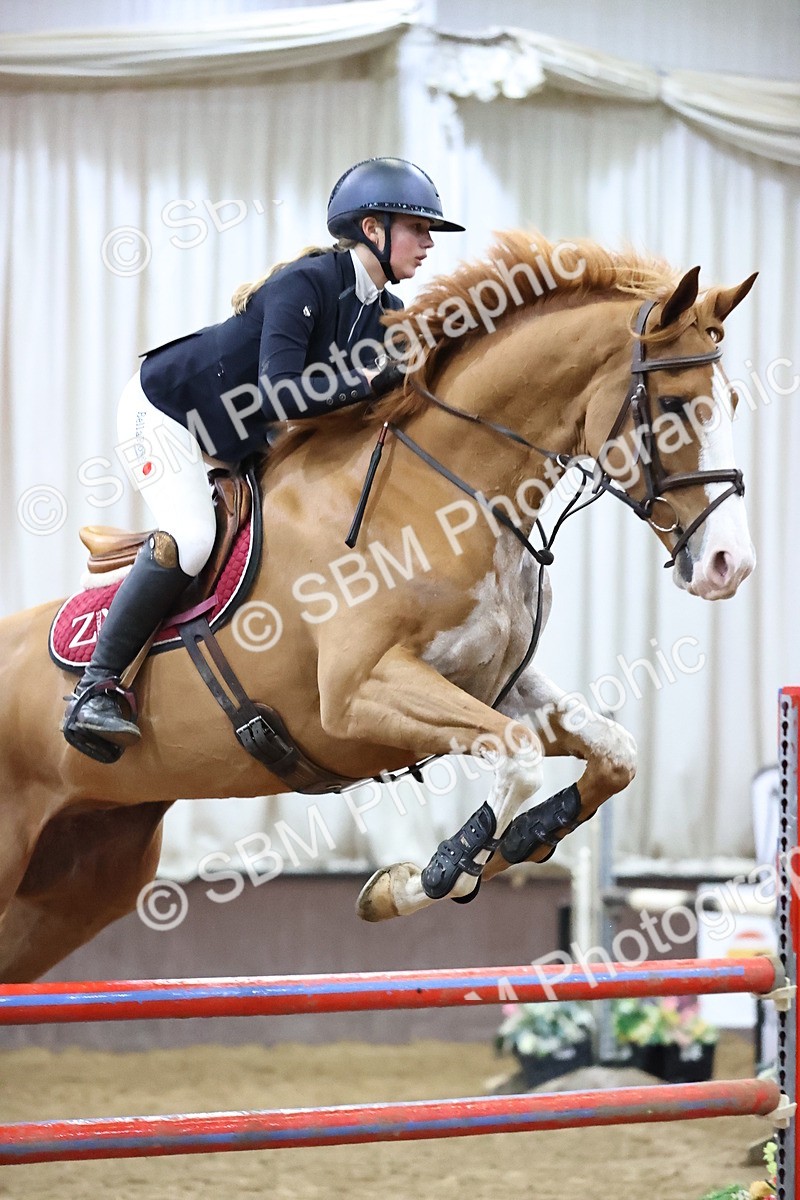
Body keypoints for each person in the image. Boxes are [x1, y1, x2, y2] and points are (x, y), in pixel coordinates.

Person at [62, 157, 464, 752]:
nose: (429, 243)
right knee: (193, 537)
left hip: (244, 434)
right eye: (417, 227)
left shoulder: (379, 315)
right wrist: (379, 381)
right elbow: (284, 391)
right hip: (167, 412)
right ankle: (95, 690)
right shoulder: (305, 284)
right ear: (372, 229)